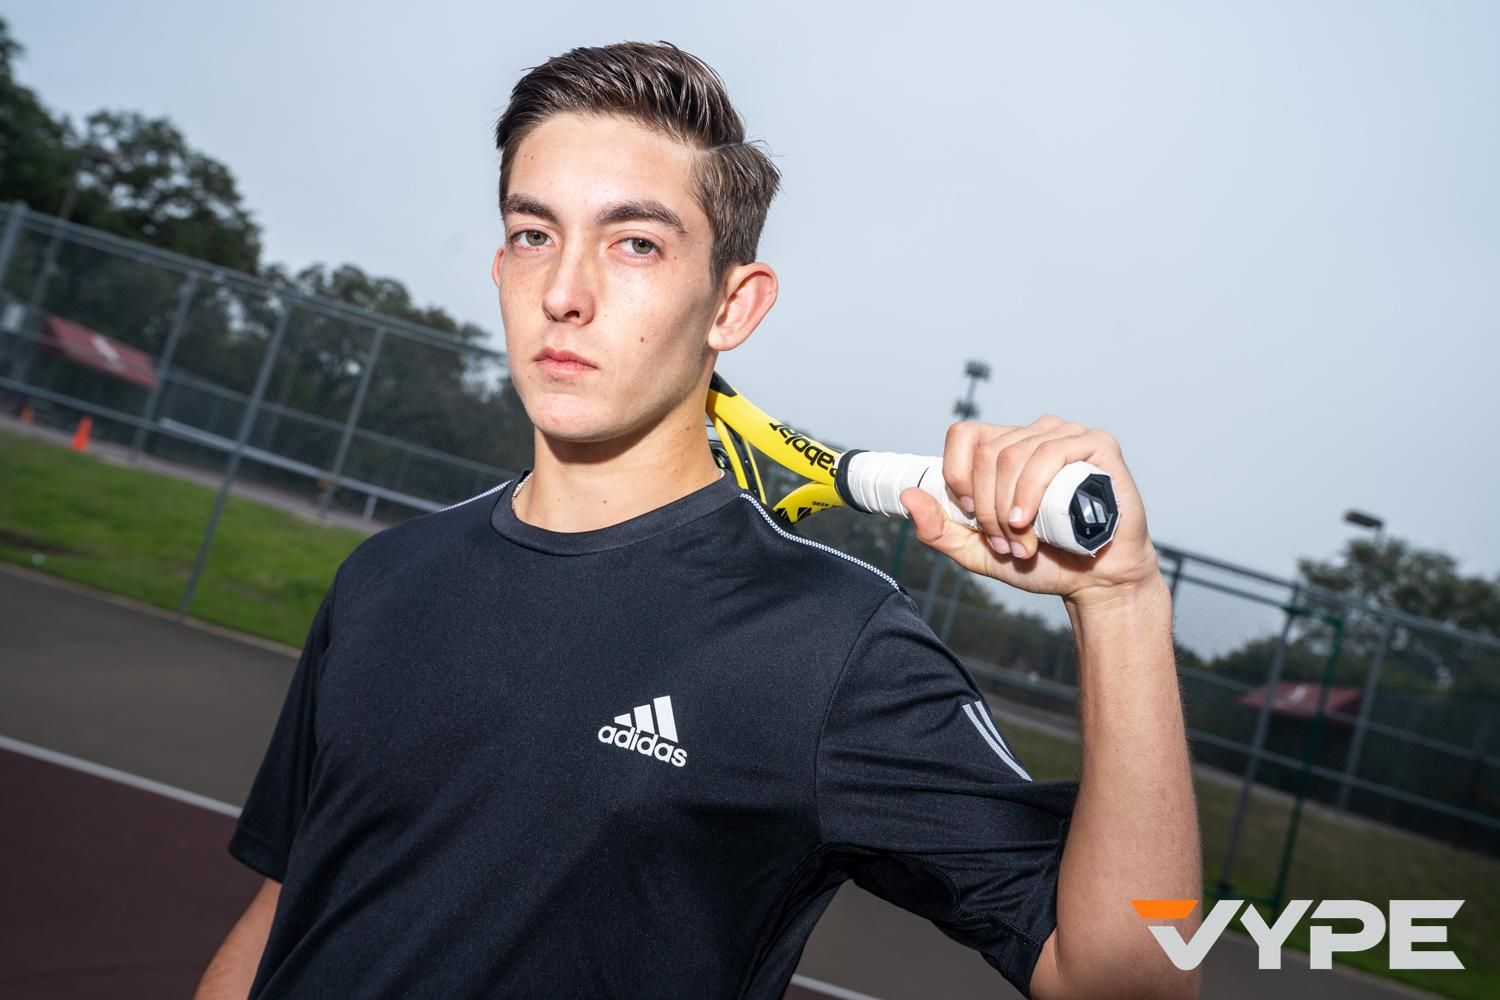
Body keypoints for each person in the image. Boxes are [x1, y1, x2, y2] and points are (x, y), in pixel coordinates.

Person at [195, 41, 1200, 1000]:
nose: (565, 293)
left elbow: (1133, 979)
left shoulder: (829, 648)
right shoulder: (382, 578)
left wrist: (1120, 604)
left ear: (733, 306)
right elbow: (286, 910)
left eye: (635, 243)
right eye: (535, 235)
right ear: (501, 268)